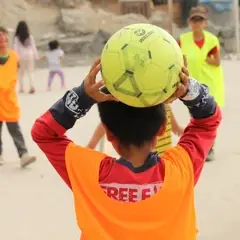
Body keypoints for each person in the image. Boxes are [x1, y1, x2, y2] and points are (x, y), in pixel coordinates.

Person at [31, 58, 221, 239]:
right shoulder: (180, 170)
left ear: (108, 133)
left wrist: (83, 96)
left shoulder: (87, 172)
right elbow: (208, 121)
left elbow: (43, 133)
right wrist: (190, 91)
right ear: (162, 128)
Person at [178, 6, 225, 161]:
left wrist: (204, 59)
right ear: (189, 22)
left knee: (210, 115)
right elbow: (175, 57)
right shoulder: (183, 40)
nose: (197, 23)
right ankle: (202, 146)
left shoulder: (212, 40)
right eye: (194, 20)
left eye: (200, 20)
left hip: (210, 84)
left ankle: (210, 147)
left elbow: (216, 61)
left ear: (205, 23)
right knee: (195, 117)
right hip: (192, 85)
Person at [0, 26, 36, 167]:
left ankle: (23, 155)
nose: (2, 39)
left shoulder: (14, 56)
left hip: (8, 100)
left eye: (3, 36)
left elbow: (12, 77)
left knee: (15, 129)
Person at [87, 105, 184, 156]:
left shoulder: (165, 107)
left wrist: (189, 131)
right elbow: (106, 123)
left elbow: (176, 129)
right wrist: (91, 145)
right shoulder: (134, 109)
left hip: (163, 163)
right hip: (140, 163)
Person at [13, 21, 38, 94]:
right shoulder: (30, 36)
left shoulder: (17, 38)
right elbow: (33, 47)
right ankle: (32, 86)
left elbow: (16, 48)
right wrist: (36, 56)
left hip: (21, 57)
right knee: (31, 72)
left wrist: (15, 58)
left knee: (21, 73)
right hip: (30, 55)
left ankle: (21, 88)